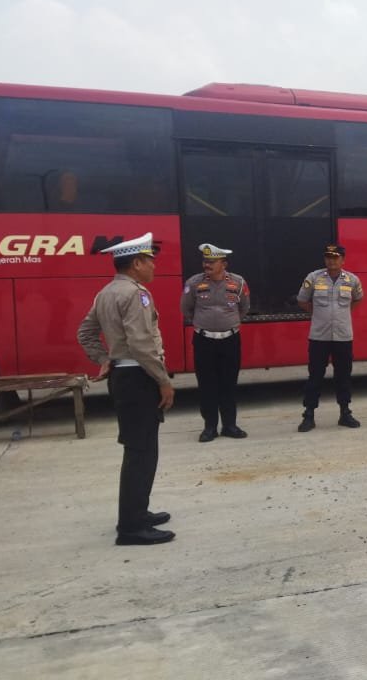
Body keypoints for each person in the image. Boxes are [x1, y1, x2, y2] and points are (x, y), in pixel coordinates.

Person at [76, 232, 176, 546]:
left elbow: (85, 333)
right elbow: (142, 344)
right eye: (150, 261)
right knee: (141, 452)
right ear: (136, 263)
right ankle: (131, 527)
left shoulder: (106, 292)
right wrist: (163, 380)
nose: (154, 267)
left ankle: (138, 512)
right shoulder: (136, 294)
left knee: (141, 449)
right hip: (139, 379)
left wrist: (104, 358)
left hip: (124, 377)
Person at [181, 243, 250, 443]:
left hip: (230, 341)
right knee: (207, 386)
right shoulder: (194, 283)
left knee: (229, 384)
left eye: (212, 262)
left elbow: (244, 308)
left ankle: (230, 425)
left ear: (224, 264)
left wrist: (227, 323)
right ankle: (209, 428)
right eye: (205, 261)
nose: (207, 265)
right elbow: (187, 309)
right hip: (204, 341)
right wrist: (206, 323)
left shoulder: (238, 282)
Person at [296, 244, 364, 432]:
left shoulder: (352, 280)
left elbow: (358, 298)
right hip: (319, 336)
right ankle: (309, 415)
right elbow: (302, 300)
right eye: (328, 257)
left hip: (343, 336)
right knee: (315, 376)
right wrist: (318, 312)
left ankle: (345, 413)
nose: (331, 261)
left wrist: (342, 314)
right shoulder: (313, 278)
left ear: (343, 260)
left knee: (343, 376)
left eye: (335, 257)